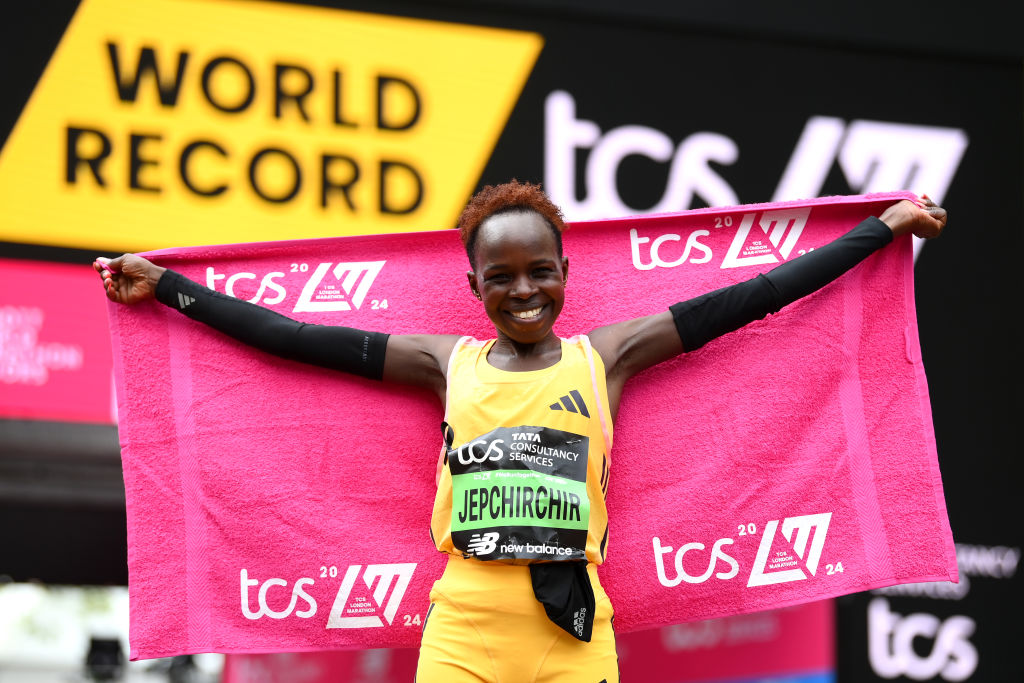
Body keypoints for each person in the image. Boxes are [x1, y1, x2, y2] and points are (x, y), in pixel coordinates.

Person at [96, 181, 946, 683]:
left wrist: (880, 231)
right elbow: (293, 337)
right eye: (501, 276)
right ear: (474, 284)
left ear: (567, 274)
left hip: (572, 635)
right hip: (463, 628)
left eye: (541, 271)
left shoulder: (607, 356)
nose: (525, 289)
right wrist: (167, 287)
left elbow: (752, 298)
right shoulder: (443, 363)